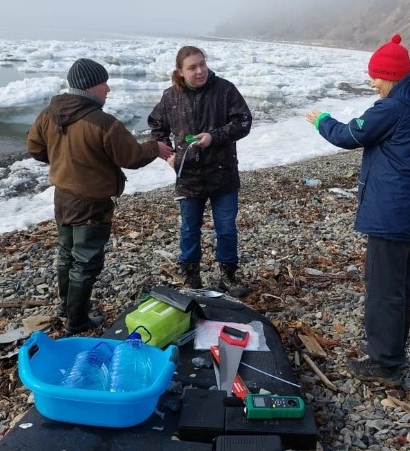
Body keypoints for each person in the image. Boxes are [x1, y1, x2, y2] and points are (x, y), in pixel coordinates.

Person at [305, 34, 410, 387]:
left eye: (375, 77)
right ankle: (392, 351)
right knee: (400, 284)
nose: (372, 83)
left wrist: (321, 119)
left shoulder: (392, 109)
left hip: (392, 213)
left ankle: (384, 363)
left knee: (384, 288)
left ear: (390, 76)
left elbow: (348, 136)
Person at [28, 58, 174, 335]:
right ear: (90, 87)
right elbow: (130, 157)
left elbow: (35, 148)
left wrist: (64, 159)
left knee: (66, 253)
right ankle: (77, 319)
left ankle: (66, 306)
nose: (107, 89)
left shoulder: (49, 113)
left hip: (63, 196)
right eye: (103, 83)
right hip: (91, 202)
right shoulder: (103, 122)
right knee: (85, 260)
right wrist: (154, 147)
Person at [148, 46, 253, 296]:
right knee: (189, 229)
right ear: (180, 72)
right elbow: (156, 127)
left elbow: (244, 122)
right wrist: (169, 155)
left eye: (202, 64)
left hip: (222, 173)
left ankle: (228, 275)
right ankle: (191, 277)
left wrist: (214, 137)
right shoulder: (170, 97)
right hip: (188, 177)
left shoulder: (225, 89)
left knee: (226, 228)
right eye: (192, 67)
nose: (199, 71)